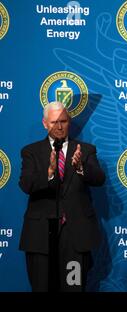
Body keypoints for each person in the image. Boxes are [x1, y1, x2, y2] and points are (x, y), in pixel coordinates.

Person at [19, 101, 105, 292]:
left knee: (73, 288)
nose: (59, 127)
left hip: (74, 235)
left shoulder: (85, 150)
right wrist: (49, 173)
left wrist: (81, 169)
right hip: (41, 235)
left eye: (63, 121)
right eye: (53, 122)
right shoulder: (30, 152)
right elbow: (26, 185)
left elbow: (99, 178)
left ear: (69, 122)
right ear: (44, 123)